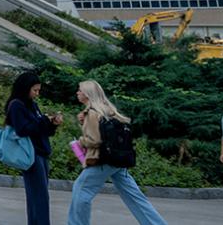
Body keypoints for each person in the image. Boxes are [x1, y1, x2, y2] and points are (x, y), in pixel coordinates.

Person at [67, 80, 167, 225]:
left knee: (81, 190)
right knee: (134, 196)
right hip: (118, 160)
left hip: (103, 160)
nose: (77, 92)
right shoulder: (108, 110)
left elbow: (94, 141)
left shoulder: (92, 112)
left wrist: (79, 143)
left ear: (88, 94)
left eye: (80, 90)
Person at [6, 70, 62, 225]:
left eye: (38, 90)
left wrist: (52, 124)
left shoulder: (33, 105)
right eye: (35, 90)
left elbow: (42, 129)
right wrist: (43, 120)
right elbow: (22, 129)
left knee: (38, 195)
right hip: (31, 154)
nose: (37, 93)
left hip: (41, 152)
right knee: (40, 196)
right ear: (25, 88)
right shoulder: (17, 105)